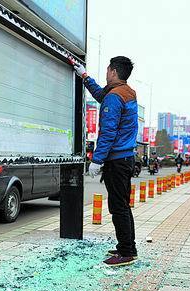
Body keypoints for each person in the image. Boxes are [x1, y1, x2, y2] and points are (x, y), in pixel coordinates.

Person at [72, 56, 138, 266]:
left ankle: (126, 252)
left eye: (108, 70)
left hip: (117, 160)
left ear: (113, 72)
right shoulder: (126, 92)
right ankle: (128, 247)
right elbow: (101, 95)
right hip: (126, 158)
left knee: (118, 207)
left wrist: (97, 159)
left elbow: (108, 132)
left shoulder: (115, 97)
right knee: (123, 205)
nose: (106, 73)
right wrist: (85, 77)